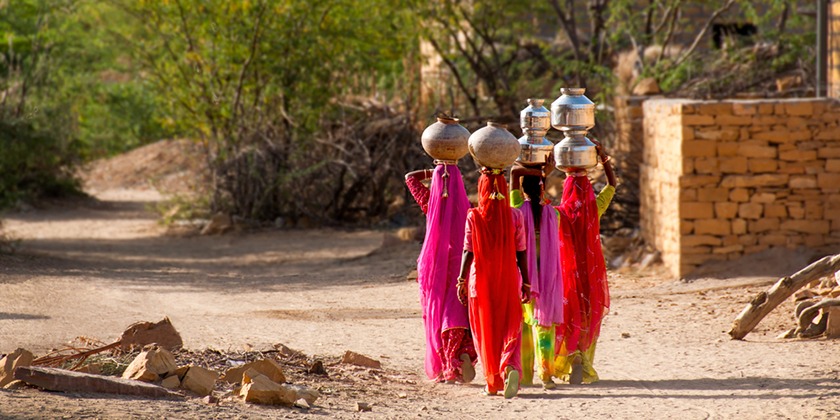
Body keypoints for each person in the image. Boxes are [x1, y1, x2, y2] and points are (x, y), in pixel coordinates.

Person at [456, 168, 530, 398]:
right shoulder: (515, 216)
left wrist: (461, 279)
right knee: (509, 324)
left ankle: (492, 382)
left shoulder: (473, 216)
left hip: (481, 282)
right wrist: (526, 282)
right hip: (509, 278)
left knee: (485, 328)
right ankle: (508, 367)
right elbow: (521, 252)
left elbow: (467, 251)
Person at [405, 162, 477, 384]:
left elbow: (410, 177)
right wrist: (451, 168)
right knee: (459, 310)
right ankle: (463, 352)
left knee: (438, 314)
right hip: (461, 264)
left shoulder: (431, 203)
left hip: (435, 267)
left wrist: (436, 171)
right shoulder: (470, 207)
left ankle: (447, 365)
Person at [554, 139, 617, 385]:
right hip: (591, 273)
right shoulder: (596, 207)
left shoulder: (559, 213)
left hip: (567, 274)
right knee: (589, 315)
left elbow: (537, 204)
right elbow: (612, 184)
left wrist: (544, 171)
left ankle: (571, 358)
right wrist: (603, 158)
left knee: (569, 317)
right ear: (589, 191)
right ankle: (585, 360)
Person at [509, 155, 564, 390]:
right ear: (542, 190)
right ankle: (547, 375)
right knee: (545, 329)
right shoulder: (555, 215)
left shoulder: (517, 210)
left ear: (522, 190)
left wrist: (540, 172)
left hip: (525, 278)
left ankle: (525, 376)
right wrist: (546, 173)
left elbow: (513, 173)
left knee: (523, 328)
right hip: (548, 279)